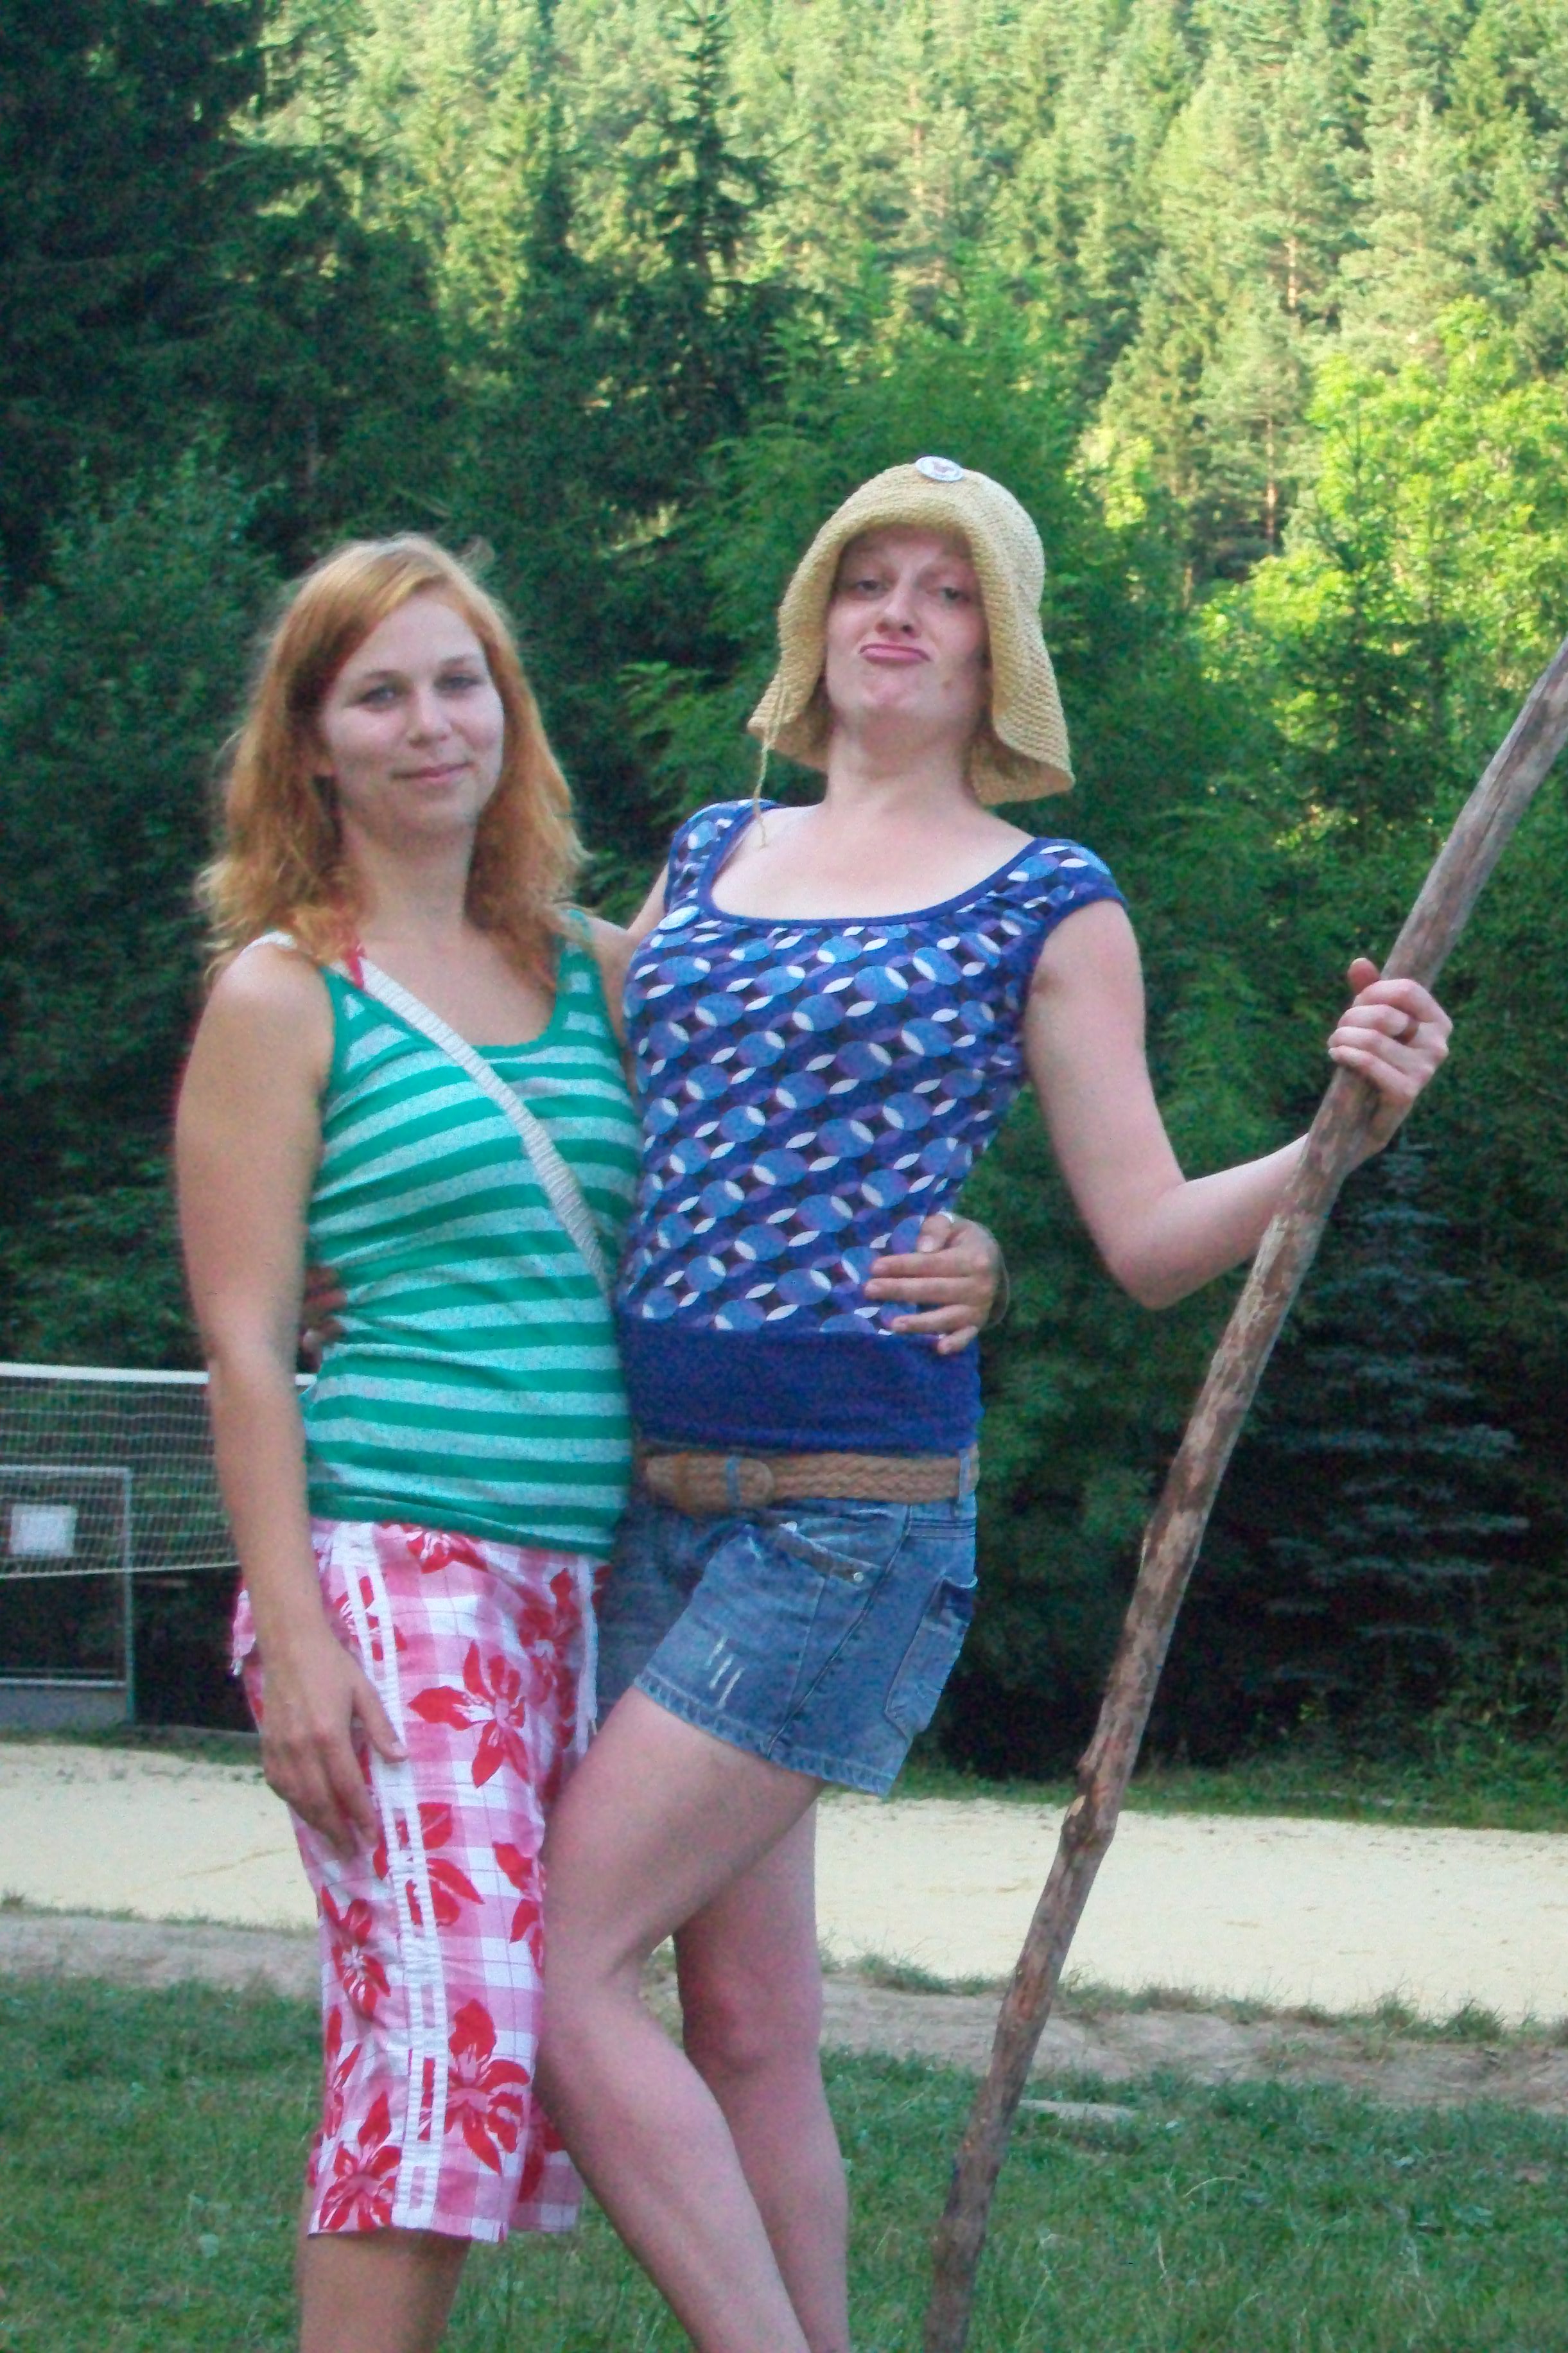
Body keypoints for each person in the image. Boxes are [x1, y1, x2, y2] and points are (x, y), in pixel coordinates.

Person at [535, 457, 1454, 2353]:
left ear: (998, 651)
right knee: (749, 2028)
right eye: (867, 577)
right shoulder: (709, 852)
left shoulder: (1049, 899)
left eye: (946, 592)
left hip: (842, 1513)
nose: (898, 614)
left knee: (554, 1958)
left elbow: (1147, 1237)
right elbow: (618, 1108)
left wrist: (1335, 1140)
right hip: (643, 1492)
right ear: (816, 616)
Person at [174, 532, 998, 2353]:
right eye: (376, 695)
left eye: (458, 683)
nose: (428, 725)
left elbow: (787, 1166)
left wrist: (973, 1250)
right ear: (309, 745)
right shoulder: (283, 996)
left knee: (604, 2025)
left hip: (612, 1572)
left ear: (508, 714)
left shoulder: (606, 975)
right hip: (397, 1569)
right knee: (445, 2046)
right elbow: (242, 1342)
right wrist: (292, 1641)